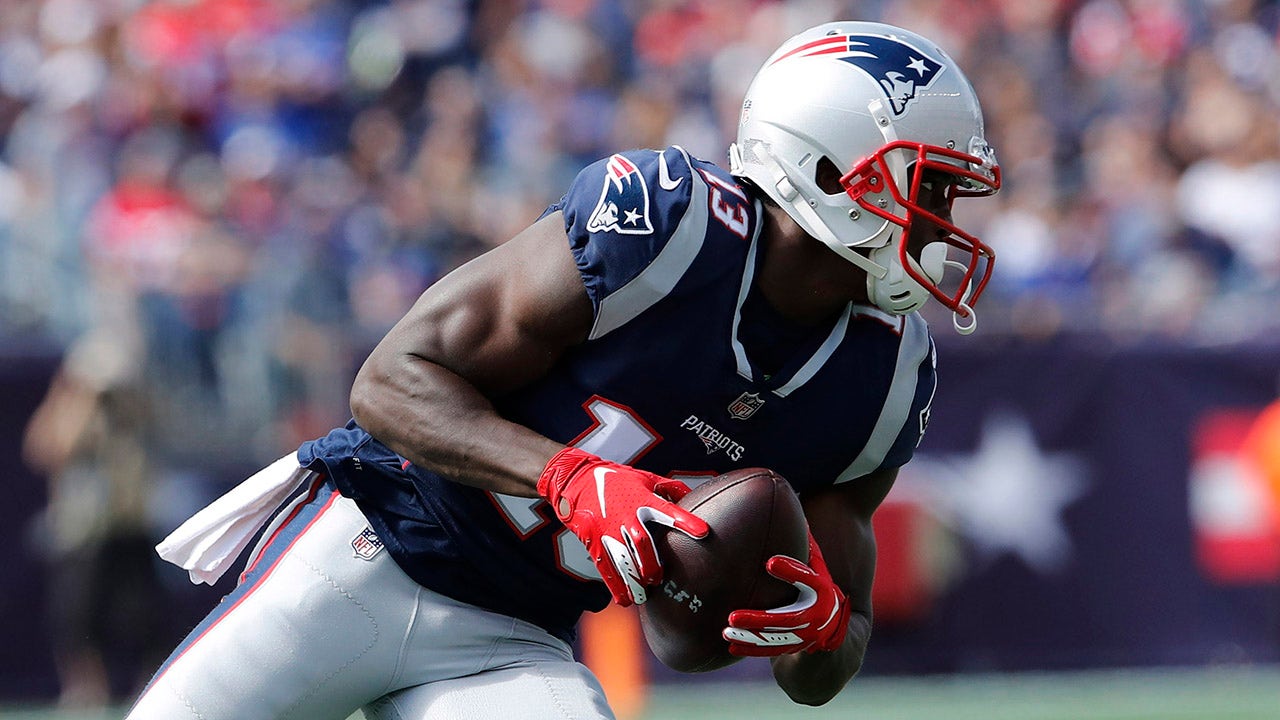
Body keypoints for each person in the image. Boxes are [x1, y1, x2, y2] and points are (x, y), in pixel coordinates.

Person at [126, 20, 1001, 720]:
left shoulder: (885, 378)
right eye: (930, 188)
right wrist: (568, 476)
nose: (945, 223)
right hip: (368, 556)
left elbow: (828, 661)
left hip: (509, 644)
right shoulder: (671, 229)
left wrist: (821, 629)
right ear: (828, 168)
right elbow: (390, 380)